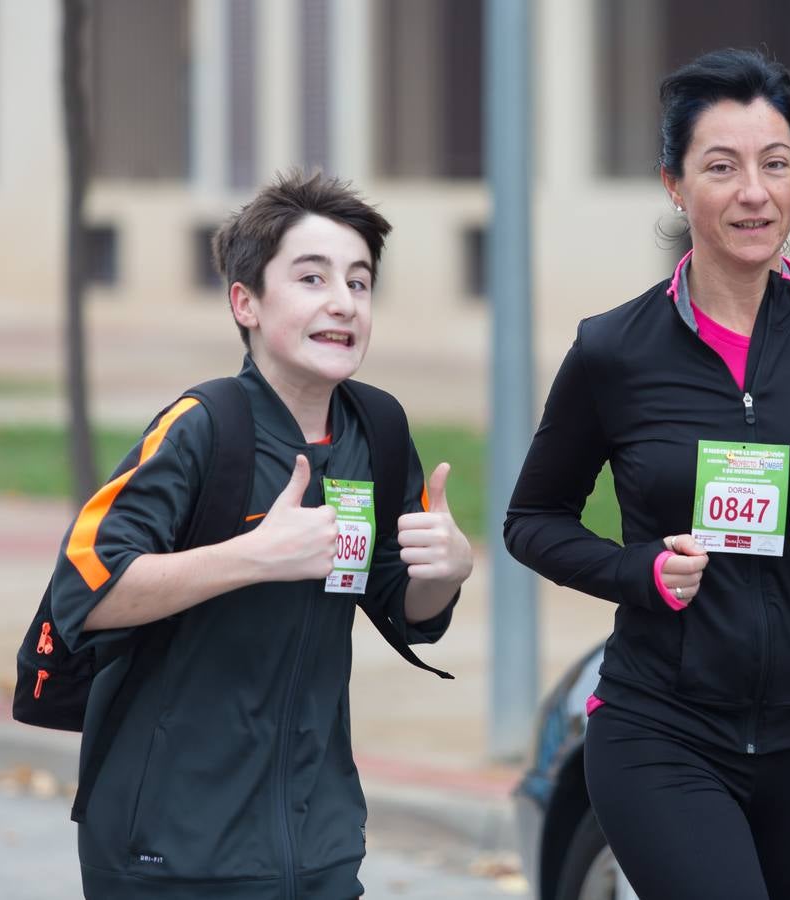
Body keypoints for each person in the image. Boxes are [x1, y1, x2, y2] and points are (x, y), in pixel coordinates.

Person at [504, 49, 790, 899]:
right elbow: (532, 519)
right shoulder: (613, 350)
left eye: (774, 165)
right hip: (658, 728)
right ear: (674, 185)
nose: (754, 192)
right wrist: (639, 571)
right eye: (722, 167)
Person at [49, 170, 473, 898]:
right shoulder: (202, 427)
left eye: (360, 282)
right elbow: (84, 593)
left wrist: (444, 571)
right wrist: (252, 557)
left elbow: (403, 608)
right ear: (244, 302)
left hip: (318, 844)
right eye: (311, 278)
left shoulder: (377, 430)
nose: (342, 302)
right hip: (168, 851)